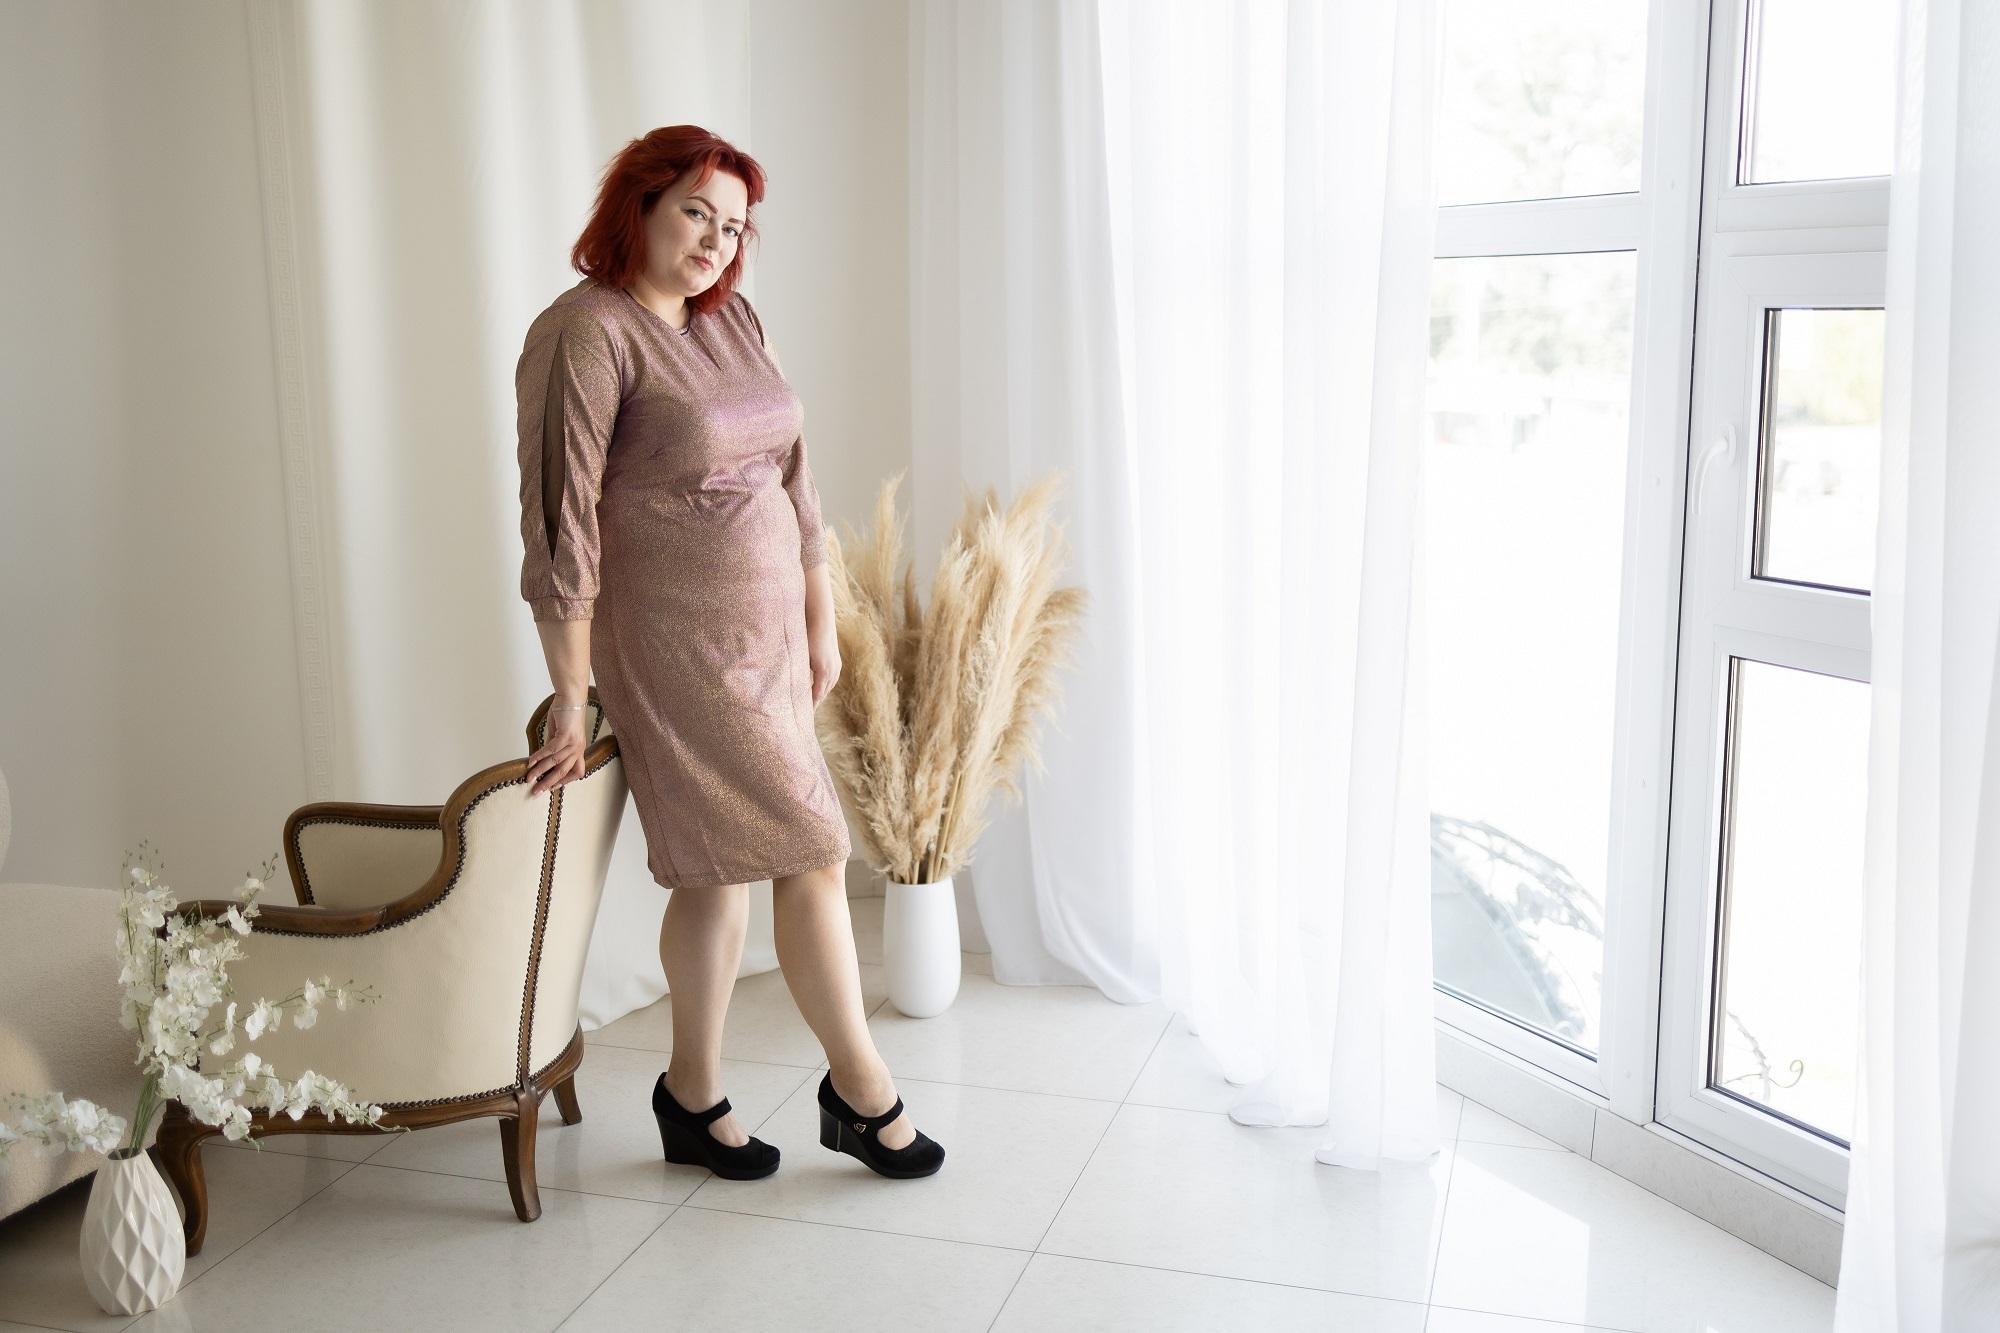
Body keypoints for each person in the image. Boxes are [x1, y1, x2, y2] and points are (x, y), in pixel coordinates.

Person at [513, 126, 943, 1181]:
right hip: (674, 649)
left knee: (717, 877)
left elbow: (794, 476)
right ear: (641, 206)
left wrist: (817, 616)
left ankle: (691, 1097)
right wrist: (569, 691)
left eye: (735, 226)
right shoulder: (585, 332)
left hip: (768, 638)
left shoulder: (734, 318)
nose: (716, 241)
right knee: (812, 849)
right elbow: (561, 520)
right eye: (696, 212)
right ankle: (861, 1089)